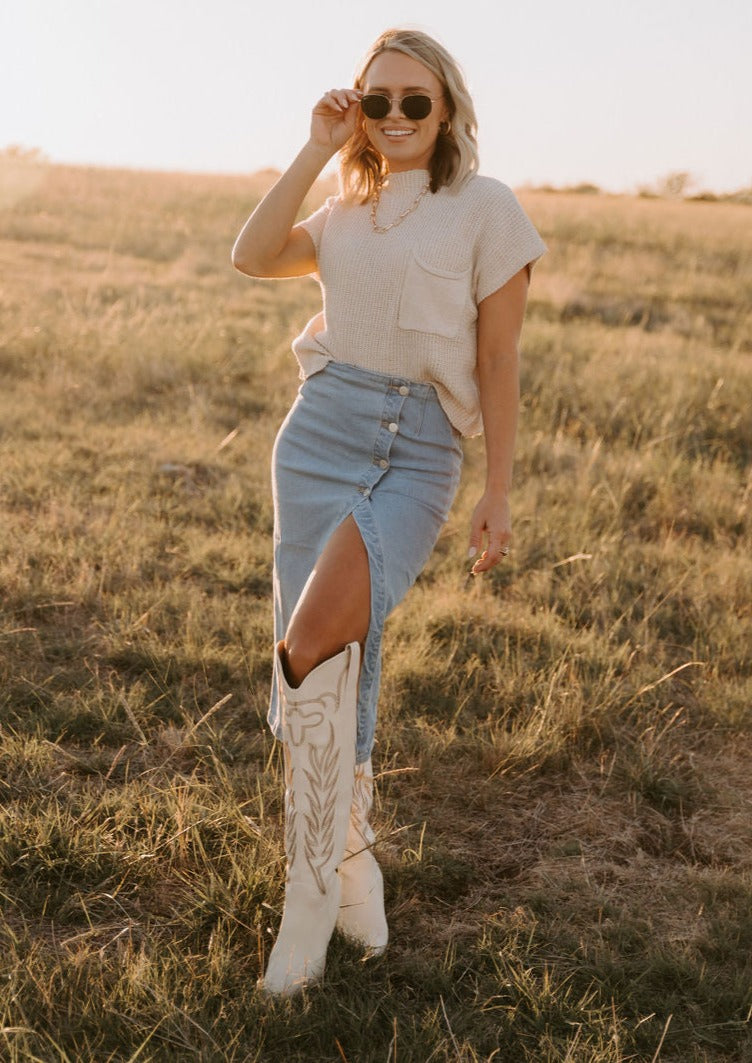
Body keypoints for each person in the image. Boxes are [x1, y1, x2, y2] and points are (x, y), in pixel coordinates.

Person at [232, 27, 546, 996]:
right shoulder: (344, 208)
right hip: (319, 435)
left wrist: (497, 489)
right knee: (315, 657)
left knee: (314, 638)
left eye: (416, 101)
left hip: (418, 451)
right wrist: (315, 148)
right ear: (359, 112)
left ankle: (314, 894)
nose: (398, 116)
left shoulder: (486, 209)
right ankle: (341, 869)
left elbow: (498, 358)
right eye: (379, 101)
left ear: (445, 111)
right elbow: (251, 255)